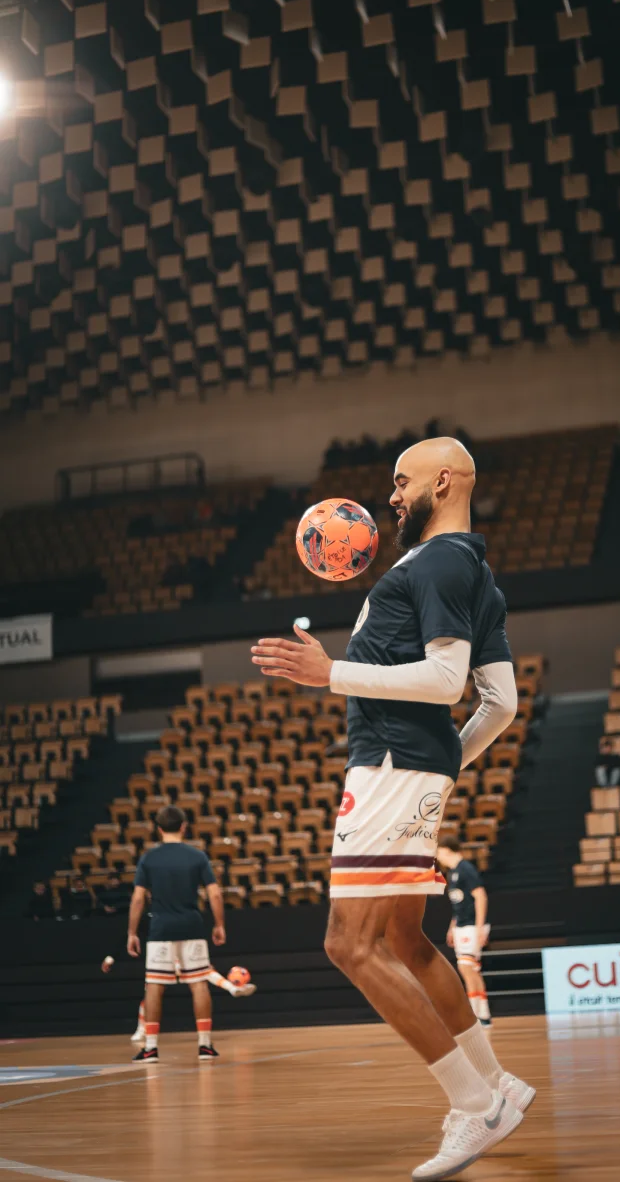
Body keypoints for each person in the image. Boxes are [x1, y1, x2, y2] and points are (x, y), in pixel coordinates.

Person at [251, 436, 535, 1182]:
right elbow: (499, 703)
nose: (392, 498)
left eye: (402, 483)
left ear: (443, 482)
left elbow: (448, 682)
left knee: (351, 945)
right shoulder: (477, 572)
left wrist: (329, 673)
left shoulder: (438, 561)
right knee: (408, 943)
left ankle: (475, 1104)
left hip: (386, 768)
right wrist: (441, 765)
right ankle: (496, 1082)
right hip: (415, 770)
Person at [127, 804, 226, 1063]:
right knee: (198, 983)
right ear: (184, 826)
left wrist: (132, 932)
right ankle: (204, 1045)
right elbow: (214, 892)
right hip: (192, 926)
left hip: (160, 928)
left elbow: (138, 899)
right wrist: (219, 924)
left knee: (155, 986)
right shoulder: (197, 856)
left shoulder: (148, 858)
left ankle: (150, 1048)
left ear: (158, 829)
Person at [437, 843, 492, 1028]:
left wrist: (479, 927)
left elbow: (481, 896)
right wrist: (452, 927)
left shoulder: (466, 868)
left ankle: (477, 1014)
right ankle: (482, 1013)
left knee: (467, 969)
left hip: (471, 926)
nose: (437, 857)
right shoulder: (452, 873)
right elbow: (458, 903)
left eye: (439, 853)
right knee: (470, 970)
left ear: (448, 850)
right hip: (461, 925)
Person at [128, 966, 256, 1045]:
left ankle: (150, 1044)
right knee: (151, 992)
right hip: (167, 949)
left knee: (152, 989)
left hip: (170, 949)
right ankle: (141, 1029)